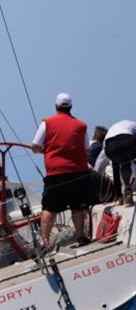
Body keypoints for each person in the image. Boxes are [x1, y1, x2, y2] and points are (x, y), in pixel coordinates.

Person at [31, 93, 91, 249]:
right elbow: (86, 148)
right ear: (70, 107)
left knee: (49, 207)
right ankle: (81, 236)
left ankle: (46, 243)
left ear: (56, 106)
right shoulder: (81, 125)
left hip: (55, 173)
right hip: (78, 172)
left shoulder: (47, 123)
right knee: (77, 205)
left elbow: (35, 146)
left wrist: (45, 150)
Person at [96, 120, 136, 206]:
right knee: (126, 161)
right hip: (126, 140)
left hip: (109, 145)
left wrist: (96, 177)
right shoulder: (133, 125)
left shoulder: (112, 129)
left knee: (116, 166)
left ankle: (119, 196)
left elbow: (100, 161)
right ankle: (127, 187)